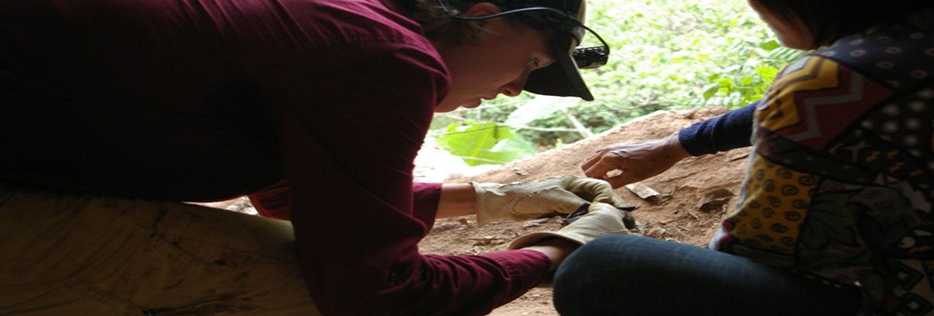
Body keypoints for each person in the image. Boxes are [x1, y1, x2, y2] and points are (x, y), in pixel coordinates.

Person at [0, 0, 632, 315]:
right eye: (529, 64)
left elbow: (295, 199)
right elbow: (375, 293)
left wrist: (490, 200)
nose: (515, 89)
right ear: (485, 17)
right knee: (293, 289)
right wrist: (554, 250)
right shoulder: (391, 61)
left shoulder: (347, 23)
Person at [562, 0, 934, 315]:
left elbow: (758, 253)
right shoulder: (901, 52)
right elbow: (850, 94)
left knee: (601, 266)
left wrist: (551, 251)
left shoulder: (828, 83)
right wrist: (674, 145)